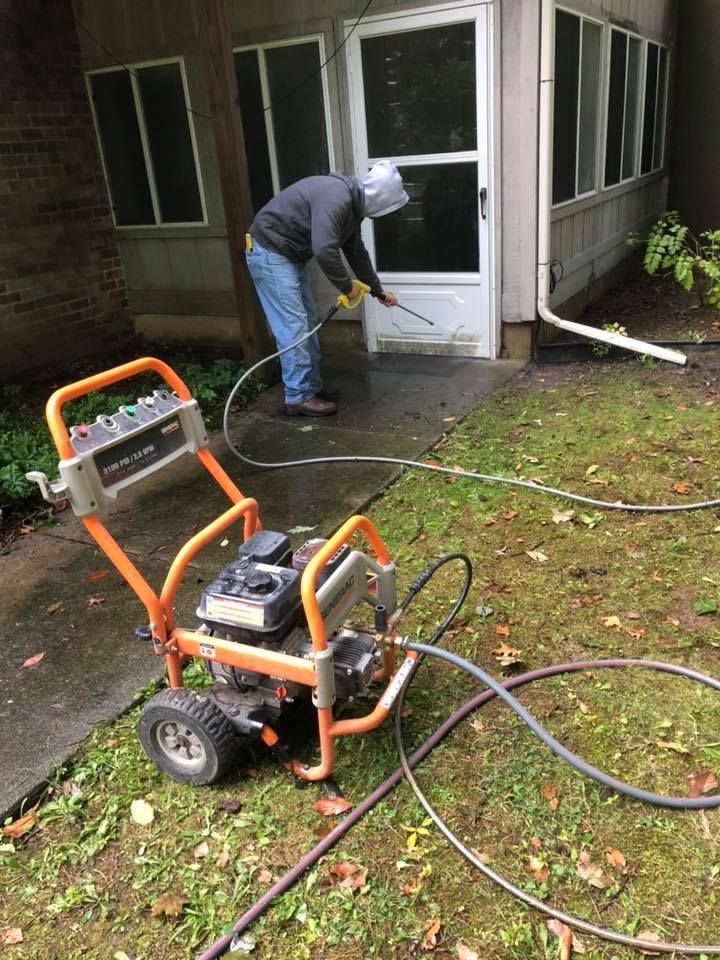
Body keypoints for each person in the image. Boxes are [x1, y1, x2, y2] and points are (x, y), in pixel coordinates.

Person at [245, 161, 409, 416]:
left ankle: (309, 387)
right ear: (380, 198)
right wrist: (346, 287)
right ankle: (297, 396)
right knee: (293, 325)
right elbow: (324, 248)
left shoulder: (351, 209)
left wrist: (377, 291)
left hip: (288, 256)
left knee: (307, 321)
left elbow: (357, 254)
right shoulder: (337, 197)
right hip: (269, 252)